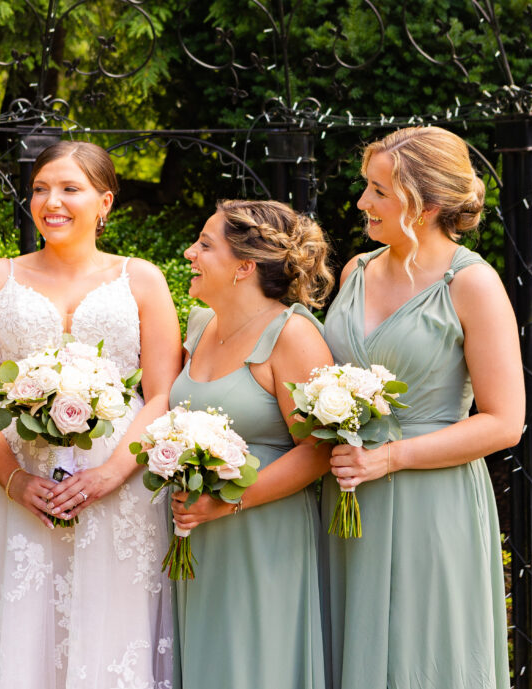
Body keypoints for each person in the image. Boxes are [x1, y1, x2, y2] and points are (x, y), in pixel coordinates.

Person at [0, 141, 183, 688]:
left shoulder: (143, 279)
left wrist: (113, 472)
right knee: (17, 624)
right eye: (40, 188)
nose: (50, 202)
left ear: (104, 203)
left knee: (111, 630)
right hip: (13, 475)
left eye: (69, 189)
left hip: (119, 485)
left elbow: (162, 394)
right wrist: (13, 480)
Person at [322, 126, 524, 689]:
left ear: (429, 204)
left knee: (423, 658)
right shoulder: (355, 271)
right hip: (346, 497)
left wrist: (391, 458)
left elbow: (505, 422)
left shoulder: (472, 284)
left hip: (430, 502)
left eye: (380, 191)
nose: (363, 202)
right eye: (366, 186)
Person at [169, 199, 335, 689]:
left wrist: (229, 501)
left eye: (203, 244)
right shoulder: (199, 325)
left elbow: (319, 449)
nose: (188, 254)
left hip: (264, 537)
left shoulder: (294, 335)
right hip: (196, 534)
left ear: (245, 265)